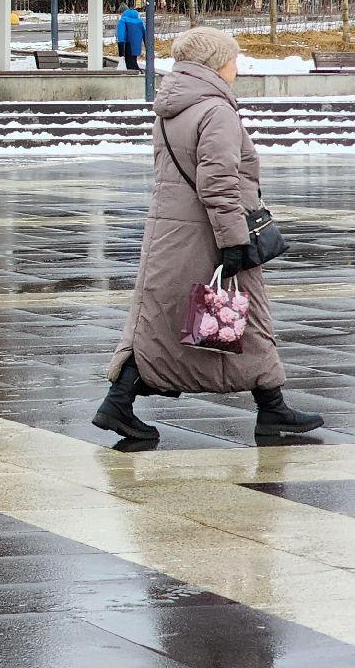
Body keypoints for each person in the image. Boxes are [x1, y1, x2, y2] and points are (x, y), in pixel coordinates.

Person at [95, 27, 322, 442]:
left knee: (160, 319)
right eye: (234, 58)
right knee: (246, 316)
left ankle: (119, 402)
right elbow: (218, 182)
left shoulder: (173, 107)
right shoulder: (215, 110)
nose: (238, 66)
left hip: (171, 231)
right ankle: (271, 409)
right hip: (209, 232)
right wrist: (234, 240)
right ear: (216, 63)